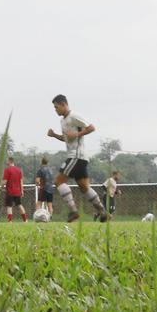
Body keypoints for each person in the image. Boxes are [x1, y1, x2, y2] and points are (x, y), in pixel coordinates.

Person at [47, 94, 108, 223]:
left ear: (64, 104)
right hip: (80, 158)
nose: (55, 110)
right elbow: (66, 138)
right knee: (84, 187)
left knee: (58, 181)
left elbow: (91, 127)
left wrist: (78, 134)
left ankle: (74, 211)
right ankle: (103, 212)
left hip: (76, 155)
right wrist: (54, 135)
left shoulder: (74, 116)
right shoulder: (62, 121)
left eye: (56, 107)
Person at [2, 157, 27, 222]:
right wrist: (22, 190)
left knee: (9, 206)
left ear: (10, 161)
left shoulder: (7, 170)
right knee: (19, 205)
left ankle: (10, 221)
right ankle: (25, 220)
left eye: (7, 161)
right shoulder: (19, 170)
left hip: (10, 191)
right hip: (17, 191)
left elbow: (5, 181)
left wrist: (1, 186)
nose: (6, 162)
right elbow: (21, 181)